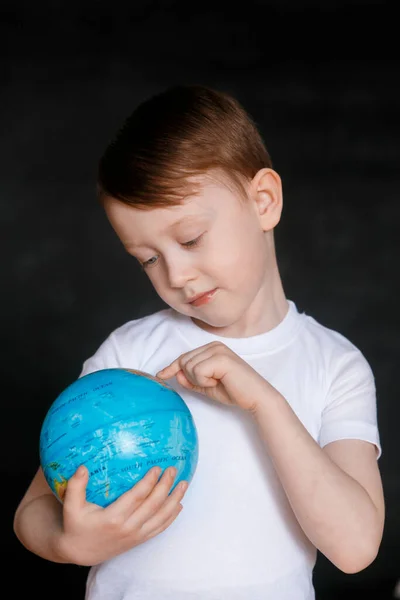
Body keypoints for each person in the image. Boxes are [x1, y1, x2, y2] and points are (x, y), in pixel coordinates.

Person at [13, 84, 385, 600]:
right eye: (147, 258)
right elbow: (32, 511)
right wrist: (69, 542)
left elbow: (355, 546)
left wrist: (265, 402)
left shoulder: (335, 366)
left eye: (189, 239)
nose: (177, 275)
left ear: (263, 202)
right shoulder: (128, 354)